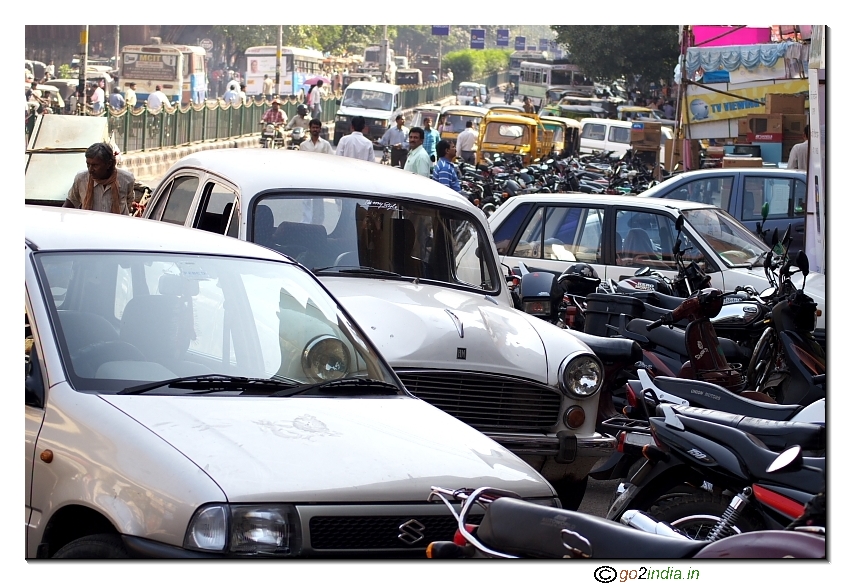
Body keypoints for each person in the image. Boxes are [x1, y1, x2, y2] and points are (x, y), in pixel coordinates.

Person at [62, 142, 137, 215]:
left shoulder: (126, 179)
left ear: (108, 164)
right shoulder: (81, 179)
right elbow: (71, 202)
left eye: (95, 165)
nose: (90, 169)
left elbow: (128, 202)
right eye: (88, 164)